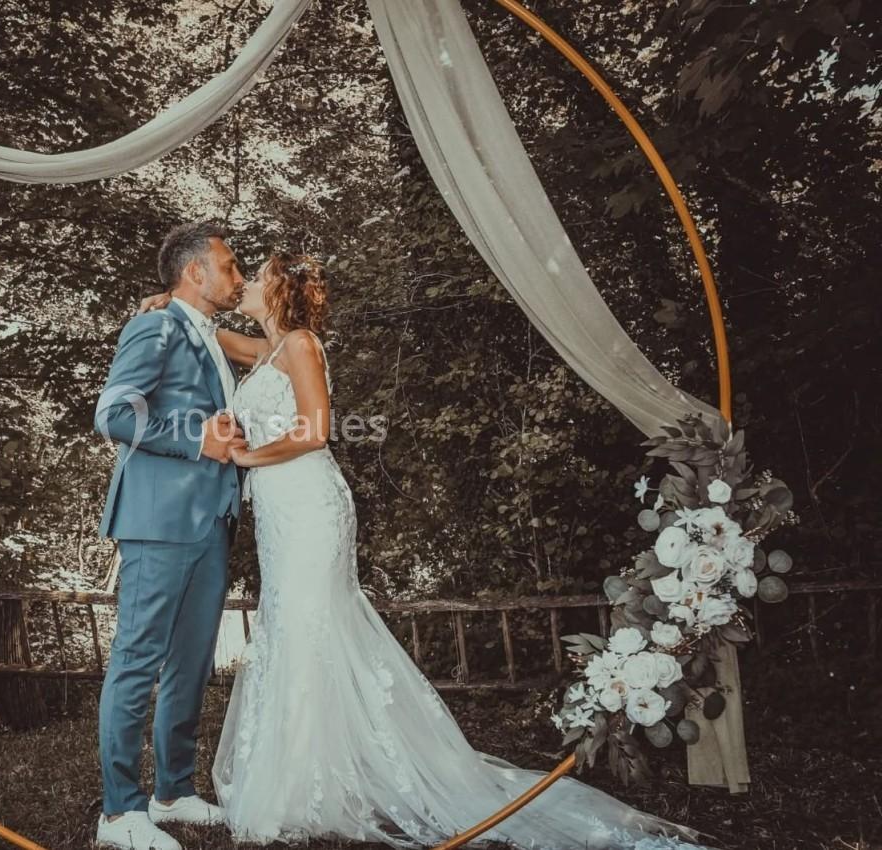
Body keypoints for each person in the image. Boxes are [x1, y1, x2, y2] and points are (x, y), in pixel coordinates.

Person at [134, 252, 721, 850]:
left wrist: (245, 456)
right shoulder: (267, 350)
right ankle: (306, 773)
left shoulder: (302, 345)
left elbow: (315, 430)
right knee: (290, 625)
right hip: (280, 512)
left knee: (311, 624)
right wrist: (170, 304)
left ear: (278, 290)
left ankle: (305, 786)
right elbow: (208, 331)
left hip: (309, 505)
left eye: (256, 276)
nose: (245, 283)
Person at [91, 220, 252, 850]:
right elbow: (113, 413)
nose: (237, 276)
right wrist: (195, 441)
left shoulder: (210, 336)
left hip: (213, 520)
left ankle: (173, 791)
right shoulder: (155, 326)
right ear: (194, 272)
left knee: (191, 661)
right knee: (137, 659)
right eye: (229, 265)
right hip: (158, 521)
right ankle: (118, 813)